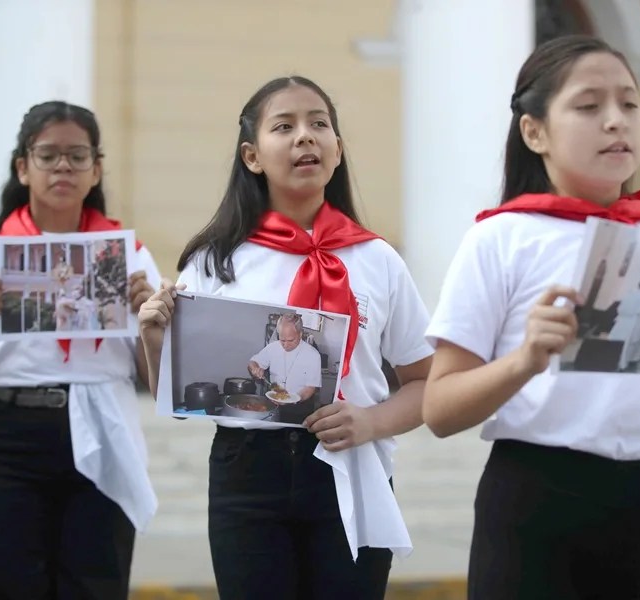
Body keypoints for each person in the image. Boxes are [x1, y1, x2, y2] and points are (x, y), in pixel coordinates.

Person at [421, 35, 640, 600]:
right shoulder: (500, 239)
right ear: (534, 131)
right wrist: (524, 362)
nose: (616, 122)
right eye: (589, 106)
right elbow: (438, 409)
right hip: (538, 499)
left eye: (629, 104)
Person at [138, 75, 434, 600]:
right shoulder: (215, 261)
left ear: (337, 151)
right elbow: (179, 395)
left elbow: (426, 382)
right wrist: (155, 336)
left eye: (319, 124)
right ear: (252, 156)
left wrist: (371, 420)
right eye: (285, 126)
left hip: (351, 466)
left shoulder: (377, 259)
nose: (306, 137)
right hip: (247, 471)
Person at [0, 101, 160, 599]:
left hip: (102, 425)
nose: (63, 167)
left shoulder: (129, 259)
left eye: (77, 156)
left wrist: (148, 325)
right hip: (8, 440)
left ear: (96, 170)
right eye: (48, 156)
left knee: (95, 584)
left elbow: (161, 384)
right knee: (6, 582)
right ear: (23, 167)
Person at [248, 312, 322, 401]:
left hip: (300, 405)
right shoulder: (273, 347)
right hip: (274, 400)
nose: (286, 345)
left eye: (291, 340)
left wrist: (291, 400)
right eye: (282, 340)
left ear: (300, 334)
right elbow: (253, 362)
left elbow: (311, 387)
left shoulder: (313, 355)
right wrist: (255, 368)